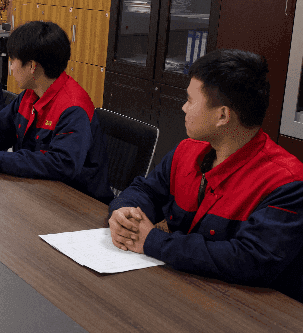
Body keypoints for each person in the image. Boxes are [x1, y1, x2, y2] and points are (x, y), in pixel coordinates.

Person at [108, 49, 303, 300]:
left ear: (222, 115)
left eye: (190, 100)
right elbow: (146, 190)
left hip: (246, 307)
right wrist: (124, 212)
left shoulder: (286, 182)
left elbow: (250, 261)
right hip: (183, 288)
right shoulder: (187, 150)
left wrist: (153, 241)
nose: (183, 107)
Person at [0, 20, 112, 203]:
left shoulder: (73, 108)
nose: (11, 67)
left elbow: (60, 164)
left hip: (77, 203)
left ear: (32, 66)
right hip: (36, 190)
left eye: (13, 60)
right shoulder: (30, 95)